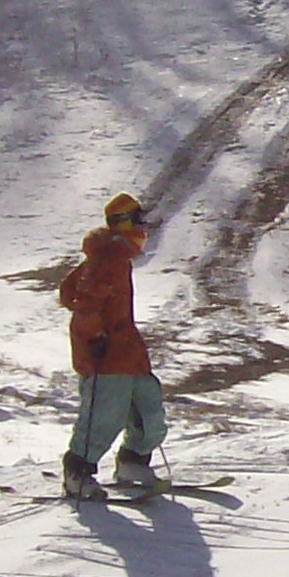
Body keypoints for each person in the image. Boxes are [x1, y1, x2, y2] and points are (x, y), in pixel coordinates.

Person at [57, 192, 167, 499]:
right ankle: (77, 471)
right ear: (123, 223)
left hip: (127, 353)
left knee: (149, 412)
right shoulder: (107, 260)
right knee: (104, 416)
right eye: (137, 220)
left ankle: (132, 461)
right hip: (105, 354)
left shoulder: (118, 259)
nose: (142, 227)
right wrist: (94, 339)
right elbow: (86, 305)